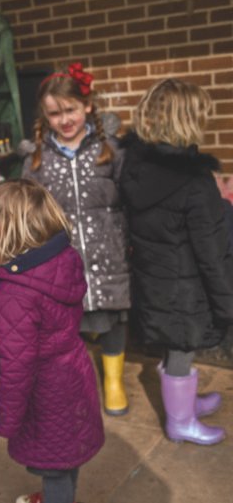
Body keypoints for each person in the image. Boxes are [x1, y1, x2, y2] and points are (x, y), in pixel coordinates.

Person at [120, 78, 233, 445]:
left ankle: (185, 404)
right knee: (182, 348)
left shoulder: (135, 166)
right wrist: (226, 301)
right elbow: (211, 251)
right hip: (184, 288)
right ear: (188, 122)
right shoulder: (194, 182)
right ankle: (180, 421)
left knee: (175, 346)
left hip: (156, 279)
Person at [0, 179, 104, 503]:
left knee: (55, 467)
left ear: (0, 230)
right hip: (74, 370)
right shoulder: (64, 259)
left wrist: (7, 419)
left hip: (46, 390)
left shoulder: (13, 294)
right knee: (67, 452)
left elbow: (17, 365)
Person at [22, 62, 131, 416]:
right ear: (45, 116)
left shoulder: (110, 150)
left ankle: (113, 381)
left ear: (86, 105)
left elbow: (130, 197)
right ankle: (78, 382)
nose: (64, 119)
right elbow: (32, 215)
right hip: (63, 260)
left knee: (113, 320)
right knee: (70, 328)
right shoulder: (37, 161)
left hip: (109, 252)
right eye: (55, 114)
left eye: (70, 109)